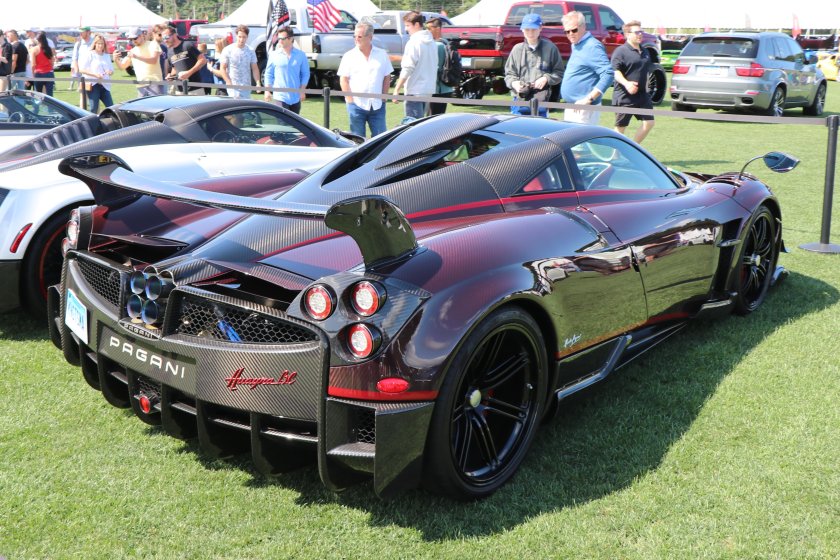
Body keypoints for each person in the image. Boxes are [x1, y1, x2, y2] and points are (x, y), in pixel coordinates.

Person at [337, 20, 393, 137]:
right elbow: (344, 80)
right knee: (357, 142)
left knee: (381, 140)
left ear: (370, 37)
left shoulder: (382, 54)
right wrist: (350, 101)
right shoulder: (349, 56)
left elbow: (387, 77)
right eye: (354, 36)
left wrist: (383, 98)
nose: (356, 39)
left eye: (359, 36)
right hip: (356, 106)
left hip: (378, 106)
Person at [503, 13, 564, 118]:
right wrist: (514, 83)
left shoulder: (551, 48)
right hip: (519, 100)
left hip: (542, 101)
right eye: (527, 29)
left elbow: (559, 72)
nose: (530, 33)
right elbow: (509, 74)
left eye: (534, 29)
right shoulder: (517, 49)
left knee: (540, 131)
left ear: (540, 28)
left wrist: (546, 78)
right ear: (522, 30)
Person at [560, 11, 613, 125]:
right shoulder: (576, 44)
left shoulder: (592, 46)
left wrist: (588, 99)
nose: (570, 34)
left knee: (582, 142)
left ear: (583, 27)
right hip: (572, 106)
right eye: (567, 31)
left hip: (584, 109)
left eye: (574, 30)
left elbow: (608, 73)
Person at [611, 20, 655, 143]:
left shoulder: (645, 51)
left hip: (642, 96)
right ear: (627, 34)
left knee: (649, 122)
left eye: (641, 31)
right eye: (636, 32)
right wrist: (627, 84)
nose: (640, 34)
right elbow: (616, 72)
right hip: (625, 96)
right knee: (620, 128)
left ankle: (633, 149)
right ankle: (614, 154)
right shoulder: (621, 51)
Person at [391, 11, 437, 121]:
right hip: (427, 90)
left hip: (414, 91)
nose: (406, 29)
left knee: (413, 128)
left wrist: (396, 89)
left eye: (408, 25)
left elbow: (408, 68)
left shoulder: (413, 42)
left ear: (416, 25)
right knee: (421, 126)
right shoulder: (432, 42)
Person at [263, 26, 309, 113]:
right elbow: (269, 74)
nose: (280, 40)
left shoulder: (301, 55)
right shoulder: (274, 55)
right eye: (278, 38)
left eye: (282, 38)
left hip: (296, 97)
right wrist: (267, 91)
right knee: (283, 124)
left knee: (295, 125)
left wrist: (302, 90)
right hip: (280, 97)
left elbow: (305, 74)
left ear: (291, 39)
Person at [114, 27, 163, 97]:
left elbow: (153, 60)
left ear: (141, 35)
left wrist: (137, 57)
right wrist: (116, 59)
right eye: (131, 39)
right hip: (141, 85)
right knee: (141, 107)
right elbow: (122, 67)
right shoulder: (132, 51)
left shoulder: (153, 44)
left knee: (157, 107)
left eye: (135, 38)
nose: (133, 41)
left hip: (154, 83)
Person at [163, 24, 206, 94]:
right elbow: (174, 67)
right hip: (179, 91)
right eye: (163, 38)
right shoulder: (170, 52)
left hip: (194, 89)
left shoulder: (187, 45)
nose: (165, 41)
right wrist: (170, 76)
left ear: (174, 35)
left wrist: (189, 73)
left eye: (166, 37)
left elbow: (203, 60)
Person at [219, 25, 261, 99]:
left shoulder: (251, 51)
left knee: (245, 109)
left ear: (247, 37)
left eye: (244, 37)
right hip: (233, 87)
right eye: (240, 37)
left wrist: (258, 83)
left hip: (246, 87)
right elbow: (222, 68)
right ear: (236, 36)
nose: (241, 39)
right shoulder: (228, 50)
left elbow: (255, 68)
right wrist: (228, 82)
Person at [425, 17, 455, 116]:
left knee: (431, 119)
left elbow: (434, 68)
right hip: (446, 87)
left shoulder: (437, 46)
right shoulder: (446, 42)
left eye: (430, 28)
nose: (427, 31)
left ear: (438, 28)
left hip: (437, 89)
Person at [80, 34, 114, 112]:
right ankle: (92, 124)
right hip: (93, 85)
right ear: (95, 44)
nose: (100, 45)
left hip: (105, 86)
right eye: (98, 43)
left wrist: (109, 72)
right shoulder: (90, 54)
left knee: (111, 107)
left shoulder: (106, 56)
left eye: (102, 43)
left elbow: (111, 70)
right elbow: (82, 69)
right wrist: (95, 75)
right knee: (93, 109)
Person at [70, 26, 93, 100]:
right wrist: (76, 70)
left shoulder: (95, 42)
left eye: (82, 32)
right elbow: (75, 58)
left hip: (93, 73)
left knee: (94, 97)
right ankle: (82, 111)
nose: (80, 34)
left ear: (88, 32)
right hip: (81, 74)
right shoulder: (78, 44)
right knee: (82, 96)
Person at [30, 32, 55, 97]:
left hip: (38, 74)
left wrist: (33, 75)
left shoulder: (34, 49)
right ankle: (50, 107)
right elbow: (52, 62)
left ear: (37, 40)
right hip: (49, 73)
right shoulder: (49, 49)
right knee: (50, 96)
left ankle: (36, 107)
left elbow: (33, 64)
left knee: (37, 96)